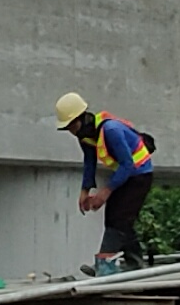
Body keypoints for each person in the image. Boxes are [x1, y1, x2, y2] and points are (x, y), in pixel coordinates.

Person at [55, 92, 156, 276]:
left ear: (81, 118)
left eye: (71, 126)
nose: (71, 131)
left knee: (119, 218)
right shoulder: (85, 135)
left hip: (140, 175)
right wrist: (85, 190)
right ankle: (136, 262)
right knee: (117, 217)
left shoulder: (111, 130)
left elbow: (127, 164)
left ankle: (104, 263)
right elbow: (89, 161)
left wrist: (105, 191)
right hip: (126, 174)